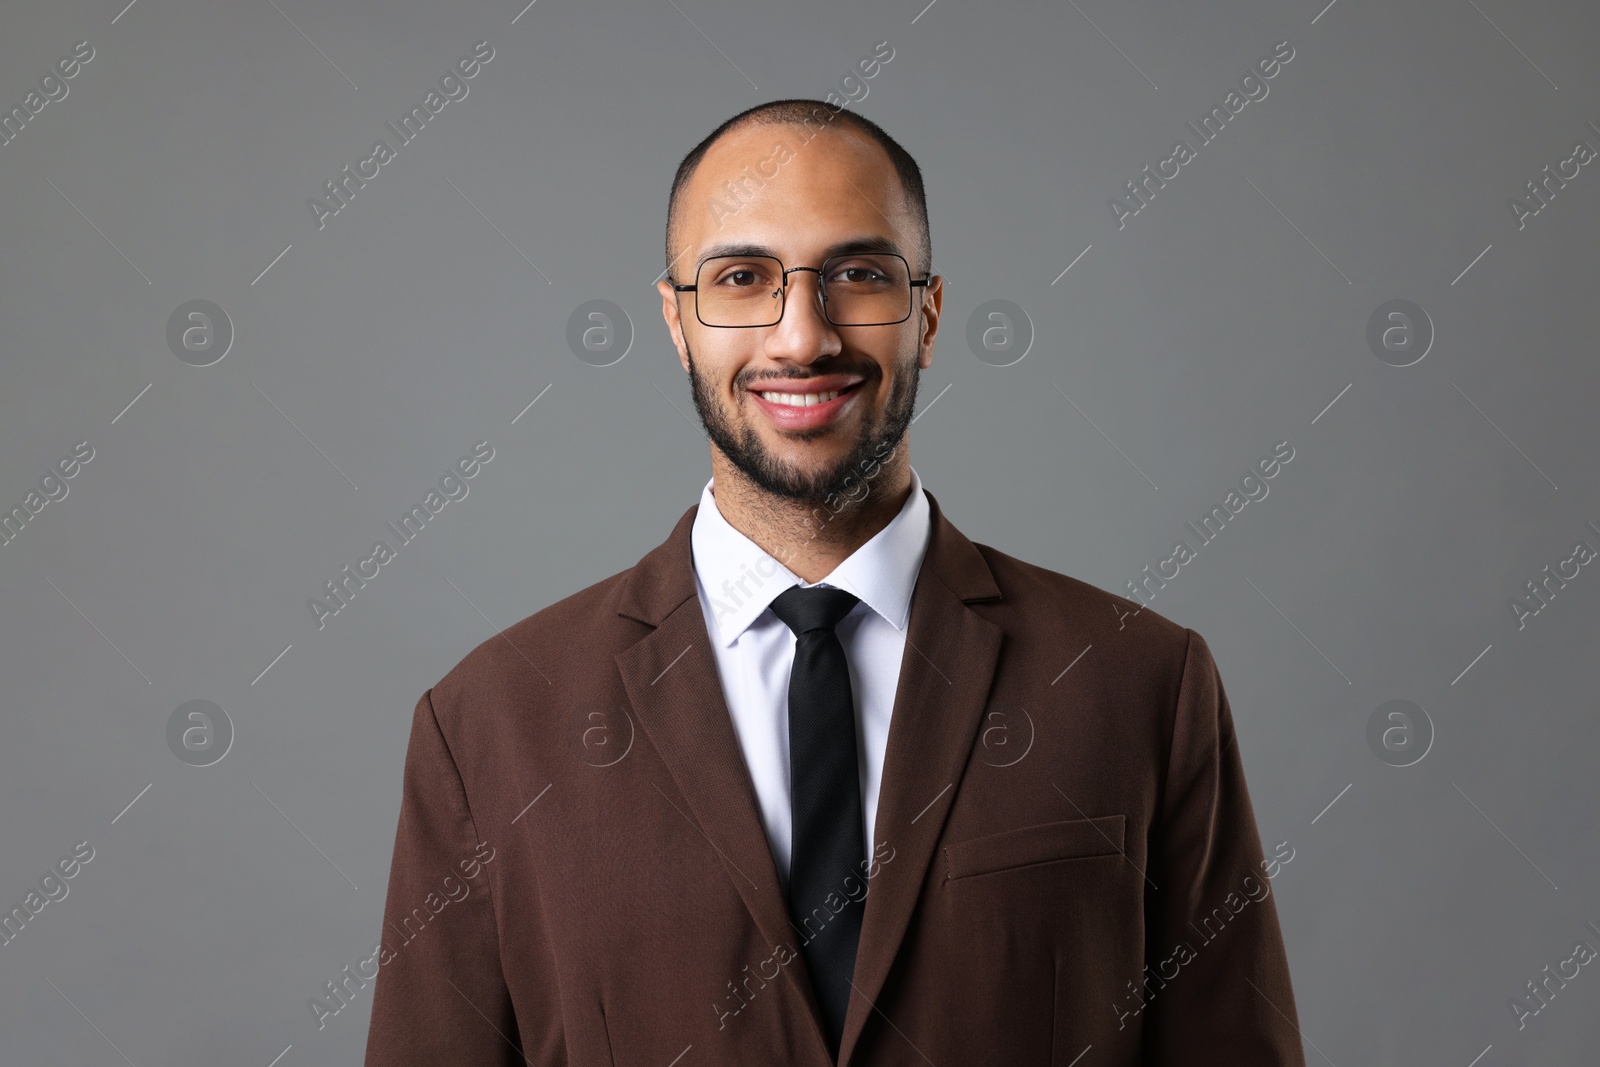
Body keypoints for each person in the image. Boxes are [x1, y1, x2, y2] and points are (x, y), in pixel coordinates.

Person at [364, 98, 1306, 1066]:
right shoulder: (489, 721)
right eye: (741, 277)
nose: (801, 337)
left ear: (928, 315)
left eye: (857, 274)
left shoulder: (1139, 680)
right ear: (679, 322)